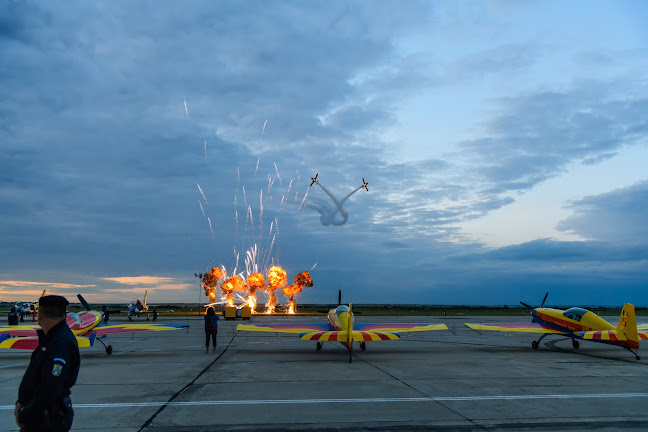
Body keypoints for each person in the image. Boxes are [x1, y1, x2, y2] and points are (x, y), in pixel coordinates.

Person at [15, 295, 80, 432]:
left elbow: (50, 387)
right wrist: (21, 402)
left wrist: (26, 414)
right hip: (41, 414)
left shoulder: (60, 342)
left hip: (48, 418)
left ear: (40, 315)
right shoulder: (52, 338)